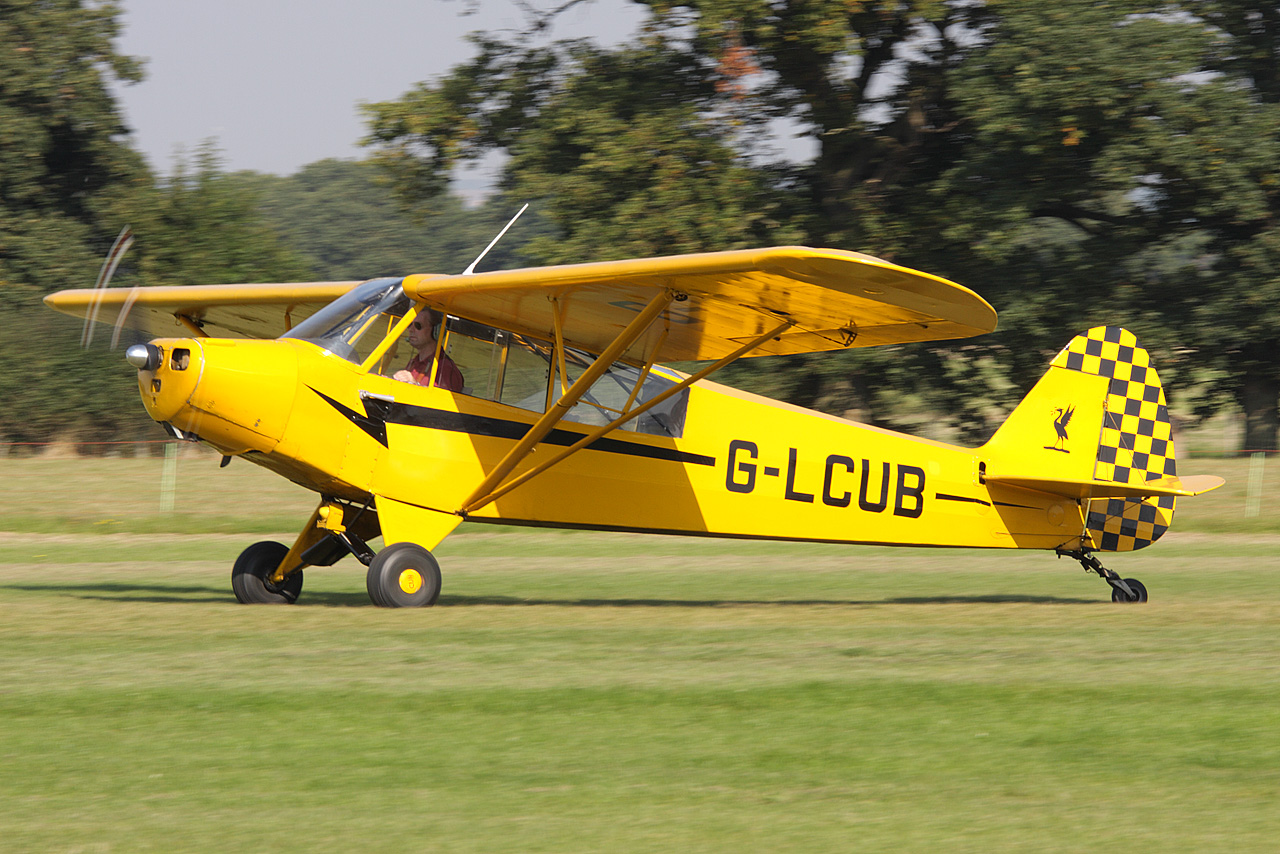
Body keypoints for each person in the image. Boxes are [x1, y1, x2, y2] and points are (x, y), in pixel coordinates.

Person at [393, 309, 464, 391]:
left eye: (418, 325)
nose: (410, 330)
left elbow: (441, 402)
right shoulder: (413, 362)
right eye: (409, 325)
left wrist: (413, 385)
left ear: (436, 331)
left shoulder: (445, 368)